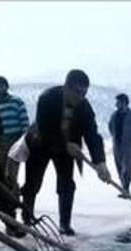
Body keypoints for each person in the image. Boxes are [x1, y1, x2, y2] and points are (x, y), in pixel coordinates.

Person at [20, 70, 112, 236]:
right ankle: (27, 217)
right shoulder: (47, 99)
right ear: (66, 88)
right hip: (41, 143)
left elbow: (92, 135)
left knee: (67, 184)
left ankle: (65, 224)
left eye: (84, 93)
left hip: (68, 150)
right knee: (33, 182)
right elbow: (45, 129)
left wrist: (100, 162)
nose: (80, 97)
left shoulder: (84, 107)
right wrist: (64, 144)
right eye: (77, 92)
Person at [0, 76, 30, 197]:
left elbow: (24, 120)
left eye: (2, 85)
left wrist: (25, 138)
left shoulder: (16, 101)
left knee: (12, 172)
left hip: (16, 141)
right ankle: (6, 195)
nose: (0, 88)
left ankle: (14, 195)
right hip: (1, 141)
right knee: (1, 171)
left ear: (6, 86)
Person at [108, 93, 131, 195]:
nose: (116, 104)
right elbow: (110, 127)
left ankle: (126, 187)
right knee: (119, 166)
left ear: (124, 103)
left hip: (128, 145)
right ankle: (123, 187)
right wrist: (114, 137)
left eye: (119, 102)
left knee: (127, 166)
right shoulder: (114, 115)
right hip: (117, 144)